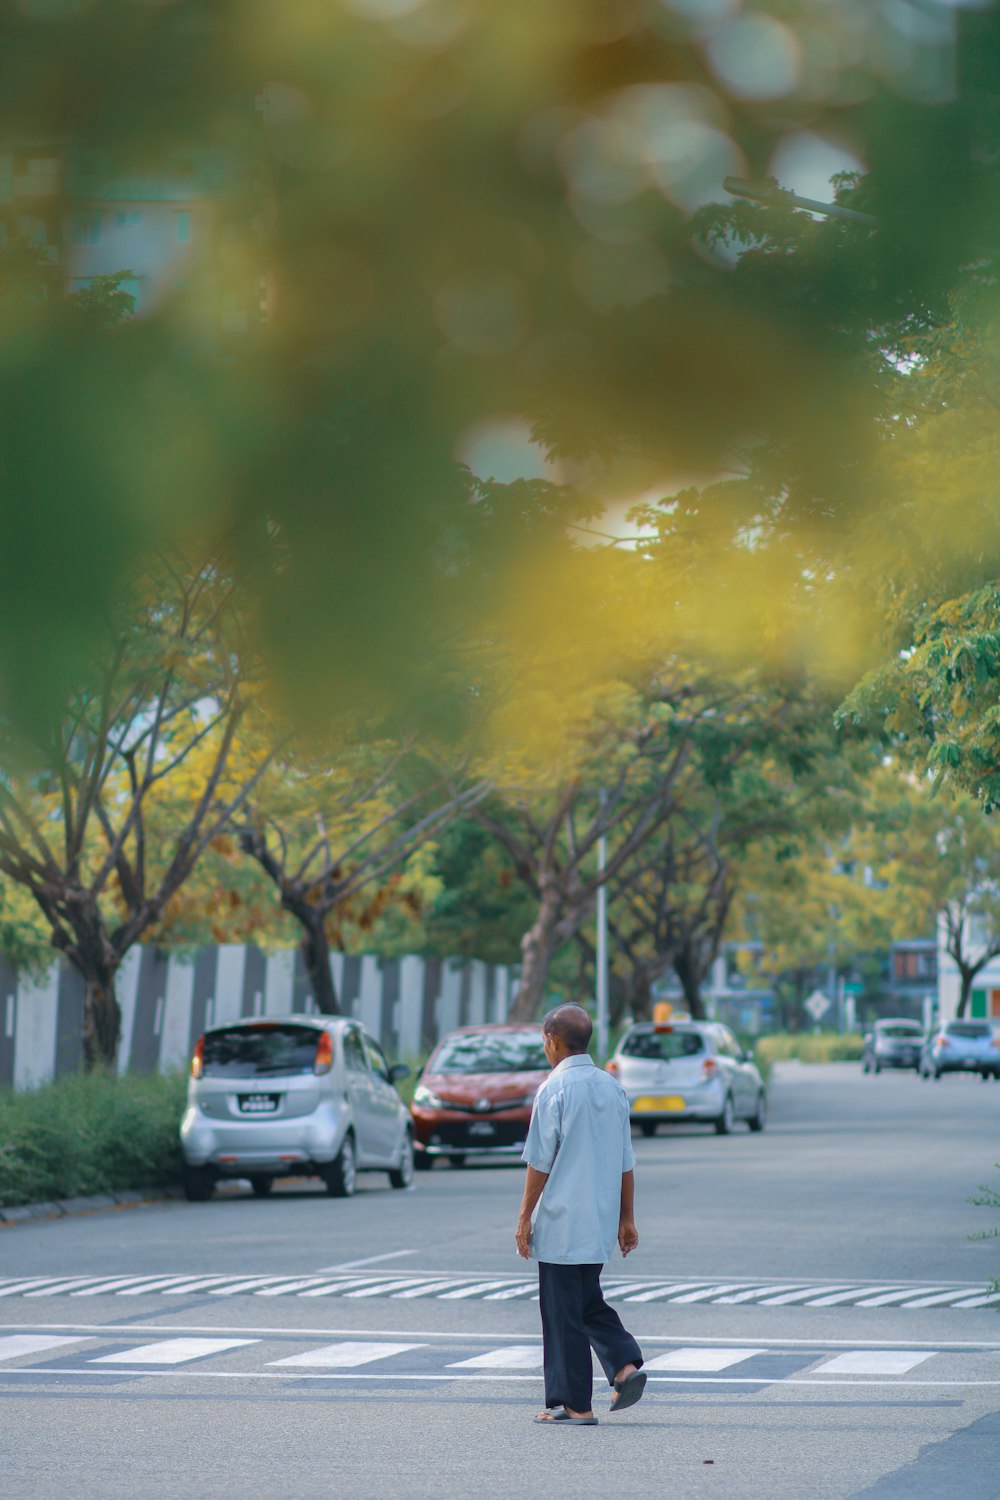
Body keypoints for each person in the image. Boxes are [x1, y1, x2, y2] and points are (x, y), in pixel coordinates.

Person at [515, 1003, 646, 1426]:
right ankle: (624, 1364)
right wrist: (626, 1219)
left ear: (553, 1041)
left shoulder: (553, 1090)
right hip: (600, 1219)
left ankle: (575, 1404)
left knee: (561, 1312)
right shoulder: (612, 1088)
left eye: (543, 1039)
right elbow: (626, 1160)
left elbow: (540, 1161)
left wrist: (523, 1218)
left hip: (560, 1219)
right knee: (586, 1300)